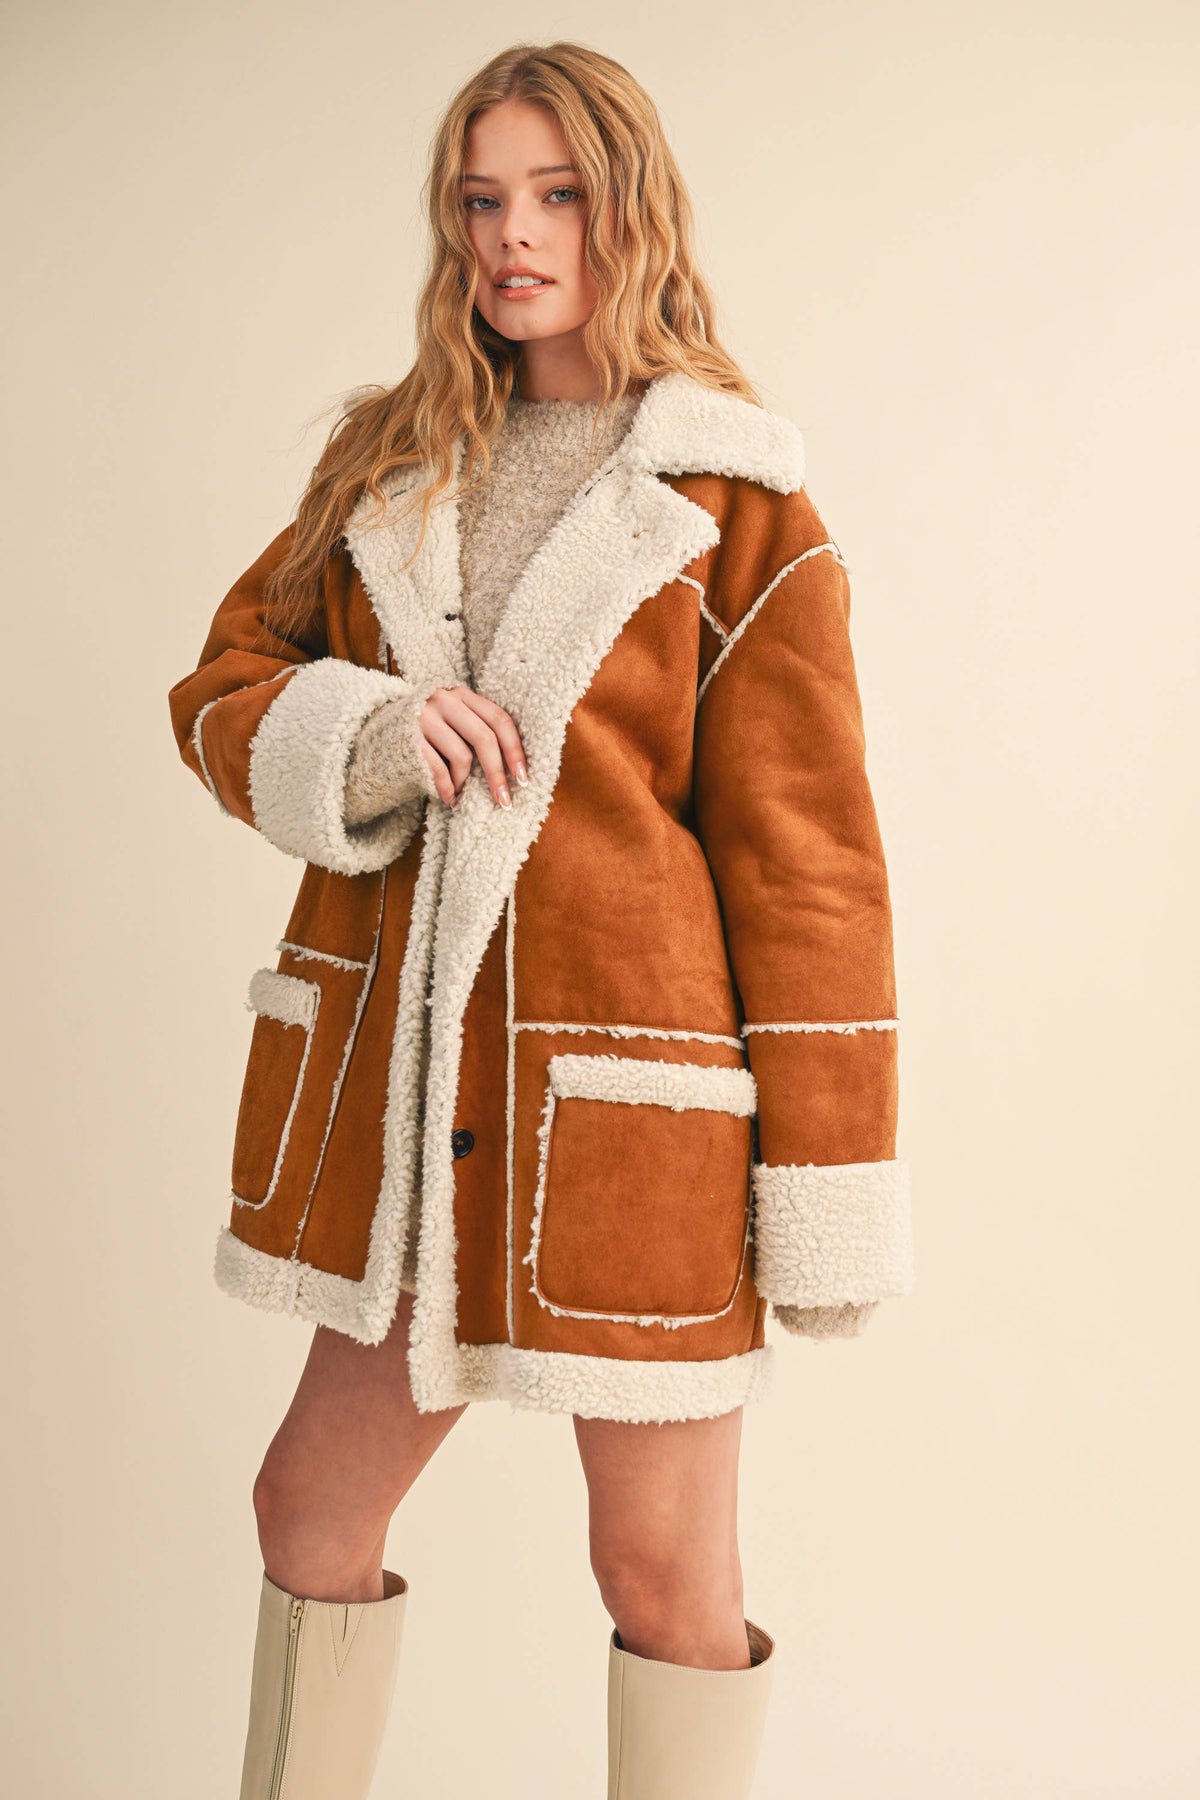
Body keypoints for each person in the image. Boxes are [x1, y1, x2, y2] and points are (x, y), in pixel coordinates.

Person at [167, 39, 915, 1800]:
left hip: (635, 1130)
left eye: (557, 195)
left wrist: (827, 1189)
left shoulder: (739, 503)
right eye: (483, 199)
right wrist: (367, 729)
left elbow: (811, 865)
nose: (515, 235)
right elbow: (222, 684)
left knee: (662, 1579)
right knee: (306, 1510)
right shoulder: (391, 461)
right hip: (408, 1116)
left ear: (628, 209)